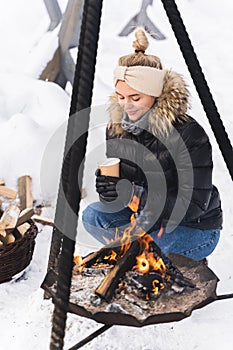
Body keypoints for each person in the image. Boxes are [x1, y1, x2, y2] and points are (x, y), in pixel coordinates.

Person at [82, 29, 222, 261]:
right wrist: (109, 188)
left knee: (150, 246)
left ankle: (143, 255)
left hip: (193, 227)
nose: (127, 105)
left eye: (135, 98)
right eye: (121, 96)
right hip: (143, 222)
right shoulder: (117, 129)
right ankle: (139, 254)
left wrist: (140, 195)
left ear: (156, 95)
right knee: (92, 216)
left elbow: (195, 204)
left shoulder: (188, 134)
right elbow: (119, 197)